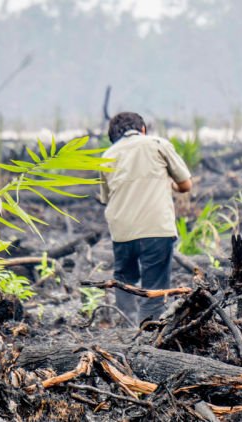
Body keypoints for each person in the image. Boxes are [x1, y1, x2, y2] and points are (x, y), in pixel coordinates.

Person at [99, 112, 192, 323]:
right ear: (142, 129)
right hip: (156, 227)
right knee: (155, 285)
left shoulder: (107, 155)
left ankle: (127, 325)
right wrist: (169, 183)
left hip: (122, 230)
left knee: (124, 279)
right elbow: (186, 185)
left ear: (113, 136)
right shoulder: (157, 144)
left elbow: (106, 198)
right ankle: (147, 330)